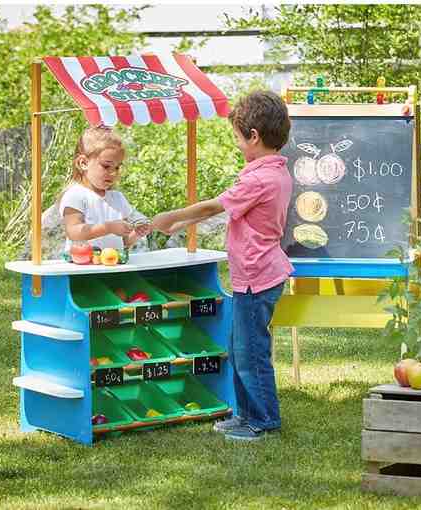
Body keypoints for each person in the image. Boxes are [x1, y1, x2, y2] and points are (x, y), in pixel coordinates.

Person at [152, 91, 294, 441]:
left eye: (237, 138)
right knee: (240, 349)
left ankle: (262, 420)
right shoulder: (274, 172)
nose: (237, 144)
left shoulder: (259, 179)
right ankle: (245, 414)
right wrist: (180, 224)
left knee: (251, 354)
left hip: (257, 277)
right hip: (257, 275)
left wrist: (172, 217)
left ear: (254, 136)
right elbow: (229, 211)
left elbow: (212, 207)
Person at [58, 125, 151, 255]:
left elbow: (123, 242)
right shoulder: (75, 195)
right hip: (83, 264)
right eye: (106, 166)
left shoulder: (117, 198)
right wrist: (108, 227)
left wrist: (137, 233)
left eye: (117, 167)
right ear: (83, 163)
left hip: (111, 263)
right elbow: (74, 232)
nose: (113, 173)